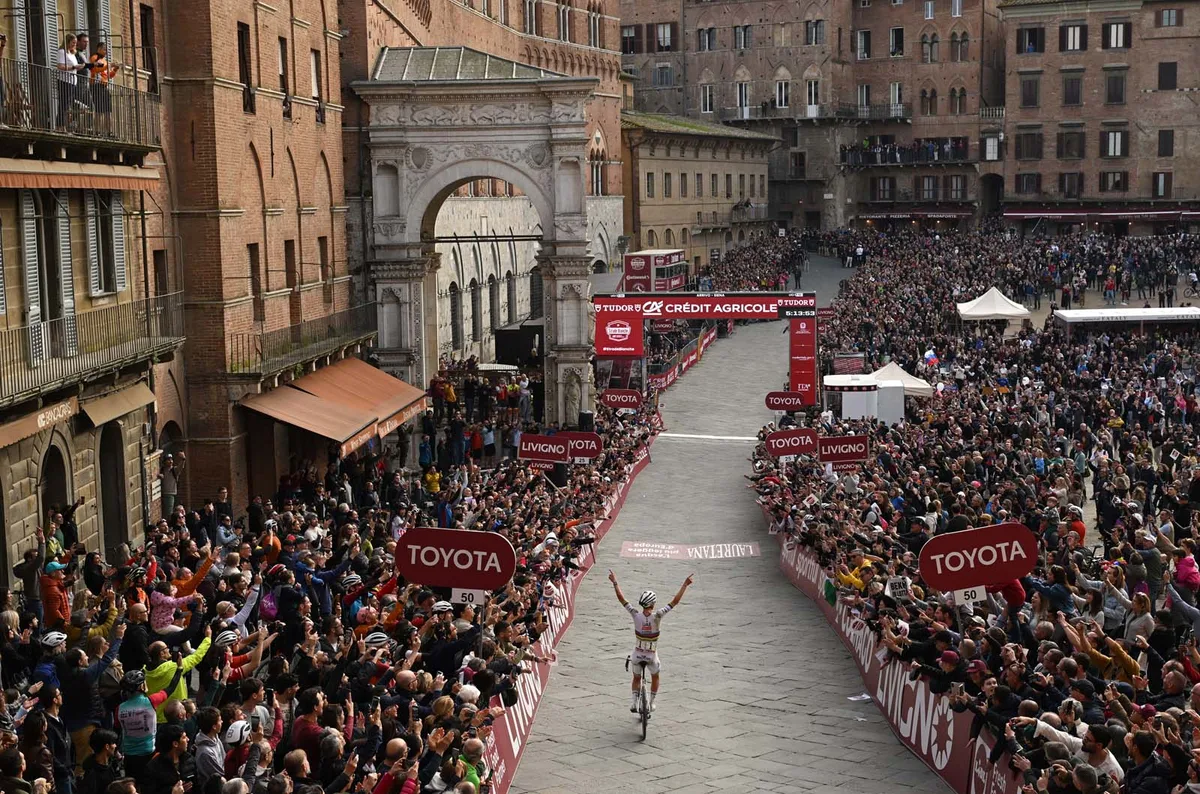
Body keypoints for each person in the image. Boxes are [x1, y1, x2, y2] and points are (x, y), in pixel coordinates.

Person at [607, 569, 695, 713]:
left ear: (642, 604)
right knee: (655, 676)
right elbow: (675, 602)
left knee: (636, 677)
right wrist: (685, 584)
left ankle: (634, 702)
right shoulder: (658, 616)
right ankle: (652, 703)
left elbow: (621, 599)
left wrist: (615, 582)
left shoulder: (635, 615)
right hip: (651, 655)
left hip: (637, 654)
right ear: (653, 604)